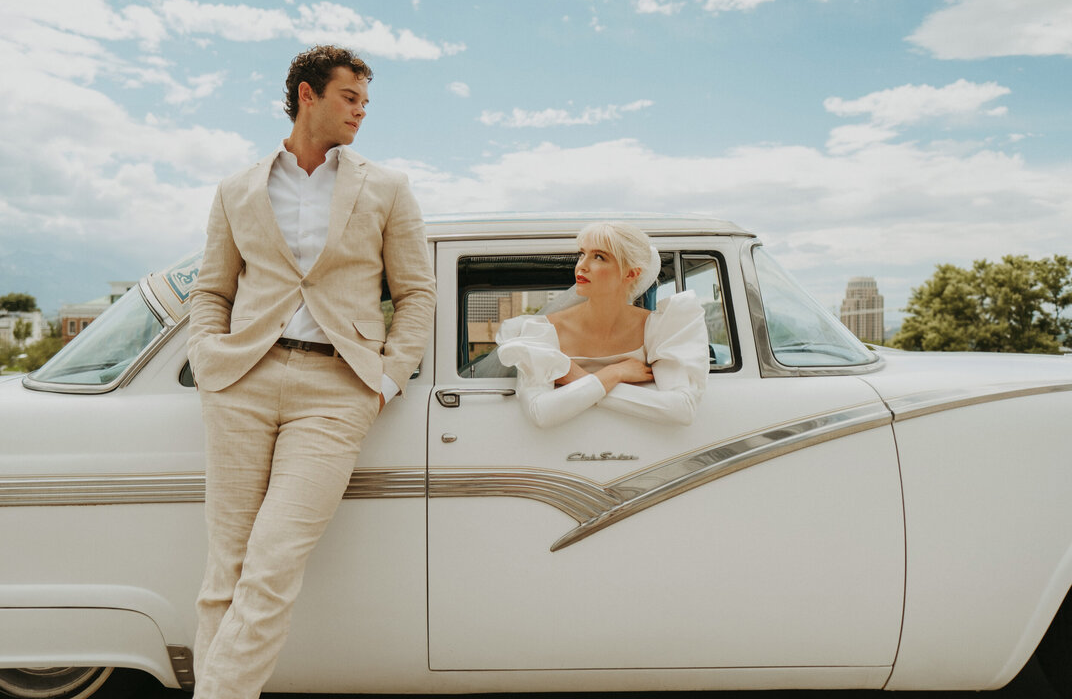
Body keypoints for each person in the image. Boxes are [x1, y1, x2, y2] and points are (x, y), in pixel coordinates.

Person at [187, 44, 436, 699]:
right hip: (241, 382)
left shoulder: (386, 188)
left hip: (336, 391)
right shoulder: (237, 188)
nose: (361, 112)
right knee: (225, 575)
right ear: (307, 95)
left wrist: (385, 379)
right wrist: (210, 358)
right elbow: (211, 290)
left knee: (270, 566)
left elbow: (416, 294)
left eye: (365, 102)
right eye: (349, 98)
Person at [495, 221, 708, 429]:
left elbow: (682, 409)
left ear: (631, 273)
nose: (582, 265)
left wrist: (577, 378)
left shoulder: (658, 327)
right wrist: (614, 374)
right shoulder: (544, 330)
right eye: (582, 254)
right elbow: (540, 412)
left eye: (599, 257)